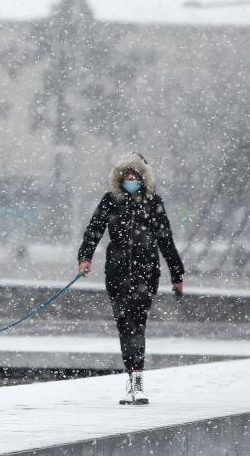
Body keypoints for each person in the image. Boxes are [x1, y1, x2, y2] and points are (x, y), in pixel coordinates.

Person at [77, 152, 185, 405]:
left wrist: (177, 275)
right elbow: (95, 229)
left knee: (137, 323)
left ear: (143, 177)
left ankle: (137, 382)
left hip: (146, 274)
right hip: (116, 275)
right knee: (125, 326)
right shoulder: (110, 201)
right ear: (119, 177)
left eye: (134, 175)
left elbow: (166, 241)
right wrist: (85, 257)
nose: (130, 179)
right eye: (126, 175)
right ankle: (133, 379)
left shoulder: (153, 203)